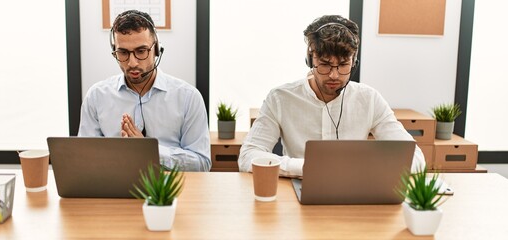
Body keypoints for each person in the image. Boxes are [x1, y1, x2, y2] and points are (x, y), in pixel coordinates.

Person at [238, 15, 425, 177]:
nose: (334, 75)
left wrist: (368, 168)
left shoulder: (369, 99)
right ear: (310, 59)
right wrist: (306, 167)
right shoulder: (280, 98)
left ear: (354, 62)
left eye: (343, 65)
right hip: (297, 190)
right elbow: (248, 155)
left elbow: (415, 157)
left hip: (353, 193)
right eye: (325, 64)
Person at [78, 10, 211, 171]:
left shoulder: (188, 97)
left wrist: (150, 151)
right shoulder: (96, 96)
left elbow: (202, 164)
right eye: (123, 53)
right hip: (113, 190)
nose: (132, 63)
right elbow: (85, 159)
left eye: (141, 51)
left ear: (156, 50)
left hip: (169, 191)